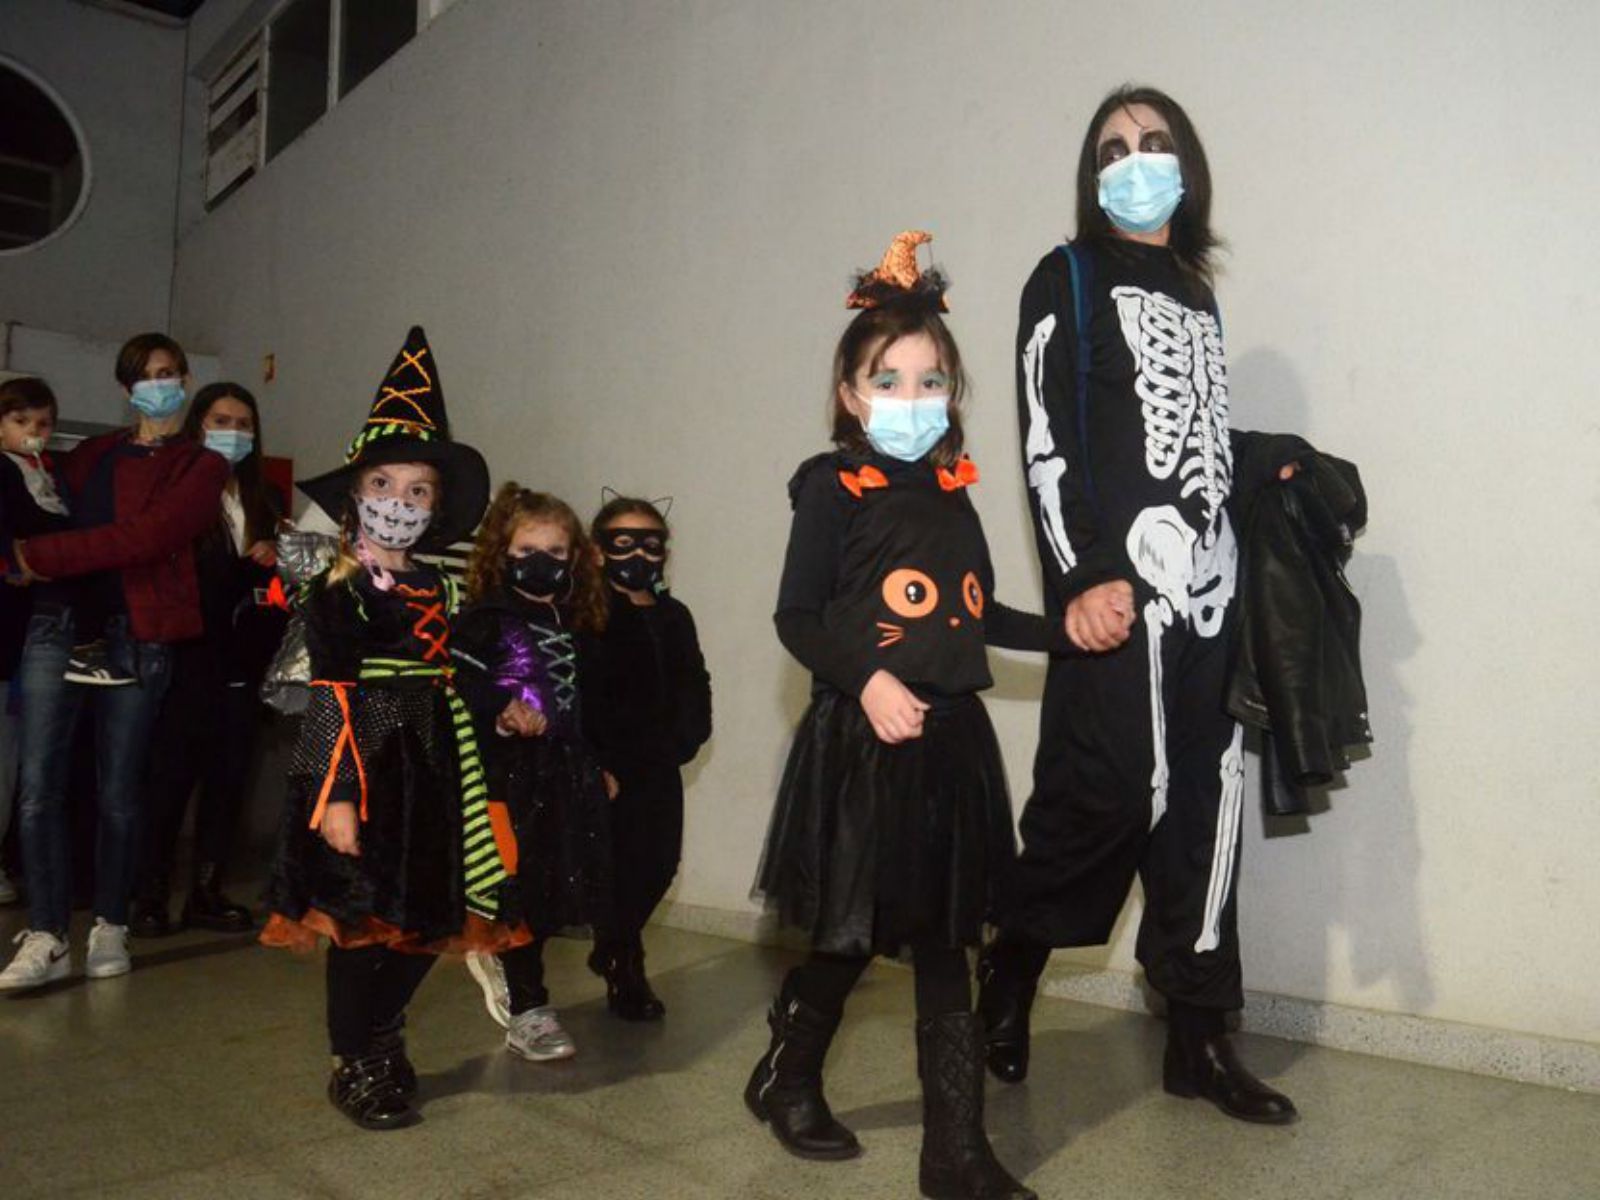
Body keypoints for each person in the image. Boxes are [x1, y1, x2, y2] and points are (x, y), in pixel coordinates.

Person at [977, 85, 1301, 1124]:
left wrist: (1267, 472)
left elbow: (1192, 442)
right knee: (1104, 796)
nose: (1134, 158)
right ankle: (1012, 970)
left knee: (1208, 807)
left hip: (1209, 592)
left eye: (1153, 143)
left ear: (1186, 164)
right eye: (1113, 147)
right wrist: (1080, 577)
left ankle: (1198, 1037)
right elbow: (1046, 440)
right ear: (1091, 173)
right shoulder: (1063, 276)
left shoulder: (1198, 292)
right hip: (1115, 592)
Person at [746, 232, 1055, 1200]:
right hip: (863, 739)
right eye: (890, 380)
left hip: (951, 742)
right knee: (844, 932)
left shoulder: (954, 496)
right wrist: (868, 679)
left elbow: (976, 614)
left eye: (932, 383)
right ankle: (790, 1078)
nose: (912, 402)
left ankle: (953, 1151)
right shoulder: (832, 489)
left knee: (945, 941)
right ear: (849, 392)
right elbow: (797, 617)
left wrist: (1070, 631)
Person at [258, 326, 513, 1131]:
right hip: (356, 754)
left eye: (417, 492)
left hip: (434, 762)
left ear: (435, 511)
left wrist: (508, 700)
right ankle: (355, 1059)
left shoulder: (445, 587)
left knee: (429, 914)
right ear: (355, 495)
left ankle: (383, 1032)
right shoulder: (338, 590)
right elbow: (331, 695)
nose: (397, 502)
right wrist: (333, 796)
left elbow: (470, 671)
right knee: (360, 921)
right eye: (383, 482)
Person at [0, 334, 228, 992]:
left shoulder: (201, 466)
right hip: (56, 624)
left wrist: (36, 558)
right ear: (126, 389)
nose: (158, 384)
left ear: (184, 380)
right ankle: (45, 933)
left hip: (139, 631)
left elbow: (148, 537)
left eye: (168, 373)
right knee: (39, 788)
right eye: (145, 376)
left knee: (120, 791)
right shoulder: (89, 454)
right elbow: (41, 511)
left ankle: (110, 925)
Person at [454, 486, 614, 1061]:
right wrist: (499, 713)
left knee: (551, 888)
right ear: (502, 552)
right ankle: (528, 1006)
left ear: (575, 556)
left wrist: (600, 764)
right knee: (516, 888)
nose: (541, 561)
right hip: (505, 778)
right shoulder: (483, 620)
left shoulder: (580, 620)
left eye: (556, 548)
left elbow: (590, 703)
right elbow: (461, 691)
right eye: (527, 549)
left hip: (565, 777)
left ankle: (514, 967)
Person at [130, 383, 287, 937]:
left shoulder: (265, 498)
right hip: (186, 658)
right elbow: (185, 579)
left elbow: (274, 593)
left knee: (228, 782)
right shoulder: (177, 489)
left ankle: (207, 890)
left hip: (245, 666)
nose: (234, 432)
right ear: (198, 424)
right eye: (222, 419)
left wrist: (273, 566)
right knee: (168, 782)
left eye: (245, 423)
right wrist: (246, 571)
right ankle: (148, 893)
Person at [580, 493, 711, 1020]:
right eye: (624, 542)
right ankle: (625, 966)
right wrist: (592, 762)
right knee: (606, 869)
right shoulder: (585, 616)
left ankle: (612, 945)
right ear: (596, 552)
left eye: (652, 544)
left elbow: (695, 679)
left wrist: (689, 736)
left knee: (658, 864)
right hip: (605, 765)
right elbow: (574, 692)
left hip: (659, 764)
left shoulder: (675, 615)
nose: (640, 554)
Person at [0, 376, 72, 905]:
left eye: (43, 424)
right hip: (7, 630)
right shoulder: (4, 472)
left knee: (19, 763)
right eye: (20, 421)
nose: (32, 432)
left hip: (36, 632)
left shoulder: (49, 475)